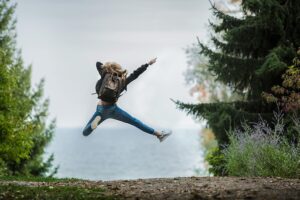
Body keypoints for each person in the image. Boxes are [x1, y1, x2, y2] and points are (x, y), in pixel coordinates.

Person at [82, 58, 171, 142]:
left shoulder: (105, 75)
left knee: (85, 133)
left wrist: (107, 67)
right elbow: (135, 74)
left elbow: (98, 64)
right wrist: (148, 64)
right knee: (135, 122)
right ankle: (159, 135)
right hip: (113, 109)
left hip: (100, 109)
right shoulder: (122, 81)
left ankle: (93, 125)